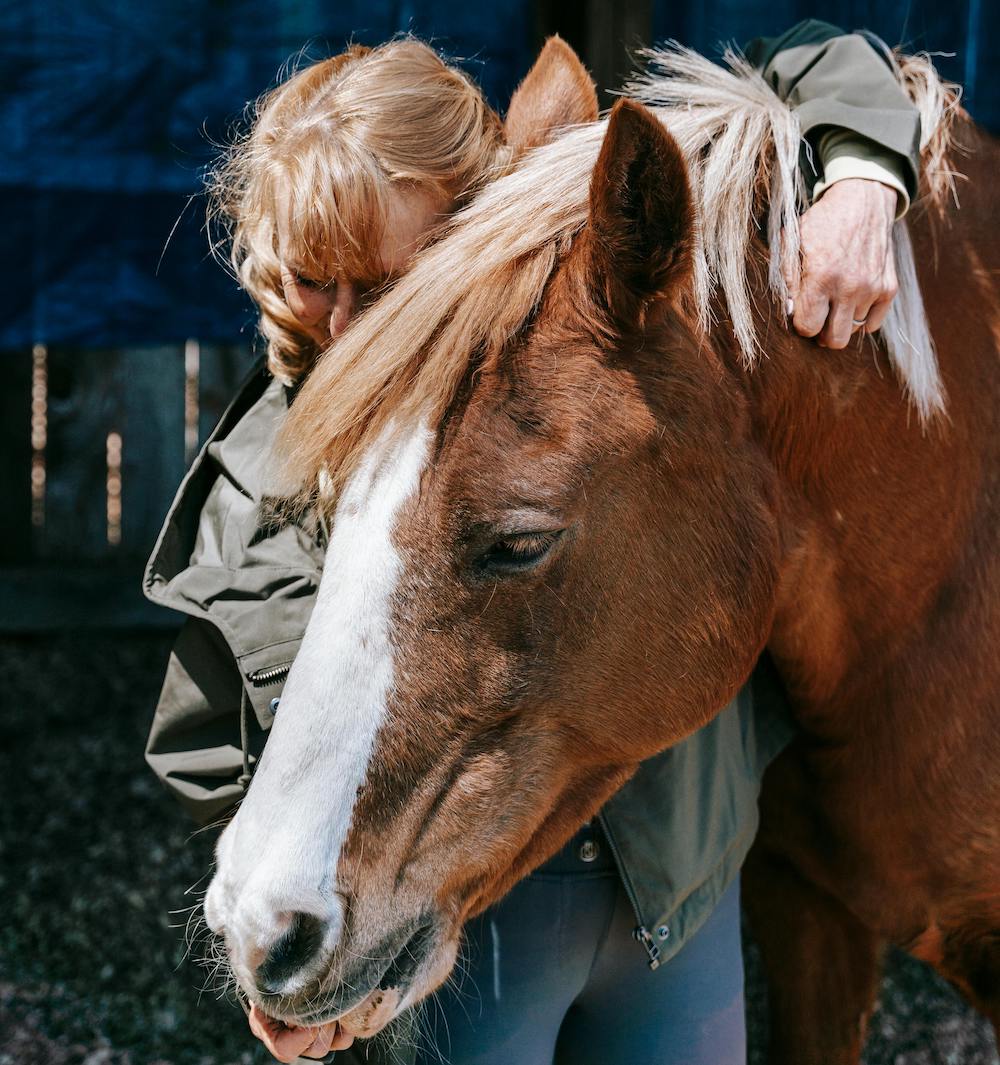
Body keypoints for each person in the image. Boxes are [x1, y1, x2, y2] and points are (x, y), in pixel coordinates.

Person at [143, 19, 922, 1065]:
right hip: (471, 934)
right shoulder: (263, 478)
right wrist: (318, 902)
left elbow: (815, 54)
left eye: (383, 286)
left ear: (485, 218)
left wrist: (865, 176)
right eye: (304, 281)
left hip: (671, 893)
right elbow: (229, 745)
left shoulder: (523, 357)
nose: (344, 331)